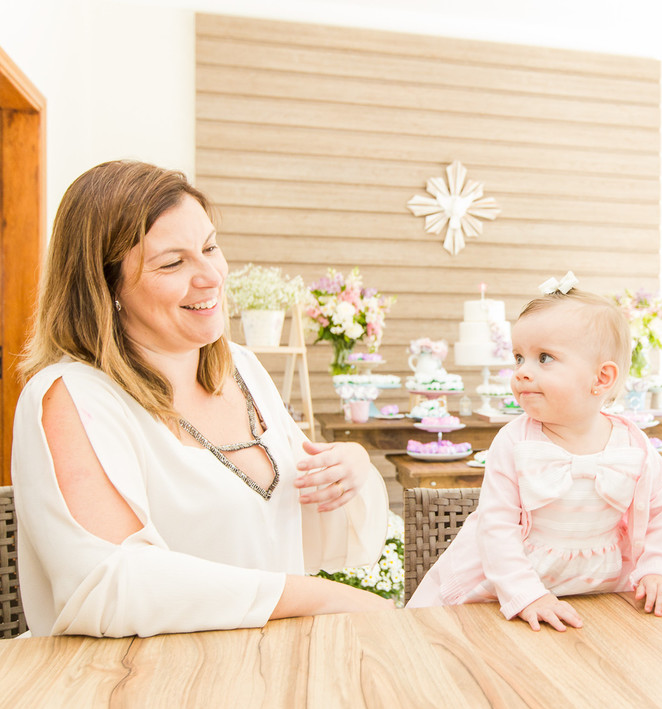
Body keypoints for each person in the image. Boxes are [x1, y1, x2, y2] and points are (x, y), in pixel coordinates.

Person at [13, 160, 394, 638]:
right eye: (173, 263)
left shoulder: (242, 368)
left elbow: (297, 531)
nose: (211, 275)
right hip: (141, 689)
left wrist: (350, 468)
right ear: (105, 288)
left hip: (268, 668)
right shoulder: (70, 396)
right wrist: (316, 597)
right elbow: (108, 585)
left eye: (210, 247)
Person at [407, 273, 662, 630]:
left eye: (544, 358)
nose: (523, 372)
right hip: (504, 593)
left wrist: (659, 570)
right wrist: (527, 593)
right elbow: (496, 527)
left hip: (598, 598)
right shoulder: (514, 442)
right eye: (518, 358)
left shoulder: (634, 445)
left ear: (601, 379)